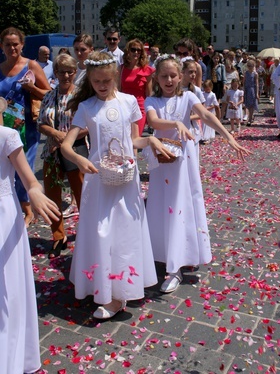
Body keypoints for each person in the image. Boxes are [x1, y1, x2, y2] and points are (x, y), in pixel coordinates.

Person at [61, 51, 172, 319]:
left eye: (106, 81)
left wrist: (151, 141)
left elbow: (133, 140)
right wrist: (79, 158)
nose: (101, 85)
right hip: (98, 178)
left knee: (124, 232)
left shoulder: (129, 102)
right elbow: (66, 145)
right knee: (101, 232)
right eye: (96, 81)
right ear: (90, 80)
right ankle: (102, 286)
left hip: (125, 178)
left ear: (115, 78)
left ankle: (119, 294)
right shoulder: (86, 107)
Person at [144, 54, 251, 293]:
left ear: (181, 76)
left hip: (184, 161)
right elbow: (154, 121)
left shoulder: (189, 96)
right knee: (163, 205)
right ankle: (164, 254)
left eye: (173, 75)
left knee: (183, 204)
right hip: (163, 162)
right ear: (157, 78)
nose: (169, 80)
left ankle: (177, 264)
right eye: (164, 76)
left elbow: (206, 115)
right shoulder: (152, 100)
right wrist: (176, 124)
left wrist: (228, 136)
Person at [0, 113, 60, 374]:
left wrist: (34, 190)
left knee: (7, 289)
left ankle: (9, 358)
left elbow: (28, 178)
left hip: (3, 220)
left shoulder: (6, 136)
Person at [0, 27, 51, 227]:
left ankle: (28, 209)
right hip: (4, 128)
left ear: (22, 45)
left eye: (15, 44)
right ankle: (12, 206)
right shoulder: (0, 67)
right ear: (1, 46)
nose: (12, 48)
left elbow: (48, 93)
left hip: (26, 128)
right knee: (6, 170)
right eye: (7, 44)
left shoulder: (31, 65)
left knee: (25, 169)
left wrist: (31, 88)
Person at [38, 54, 86, 257]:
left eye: (70, 71)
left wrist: (67, 137)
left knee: (83, 194)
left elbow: (89, 126)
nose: (65, 75)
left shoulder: (82, 97)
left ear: (75, 72)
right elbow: (41, 123)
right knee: (52, 196)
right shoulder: (49, 95)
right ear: (55, 73)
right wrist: (55, 134)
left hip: (75, 151)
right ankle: (59, 237)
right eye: (61, 71)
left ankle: (88, 235)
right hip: (51, 152)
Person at [118, 39, 155, 135]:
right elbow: (118, 89)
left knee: (136, 137)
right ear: (128, 51)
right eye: (133, 49)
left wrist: (150, 111)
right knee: (125, 136)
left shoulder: (146, 70)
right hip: (124, 106)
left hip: (140, 107)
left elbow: (148, 93)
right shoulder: (120, 69)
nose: (136, 52)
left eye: (139, 50)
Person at [243, 59, 259, 126]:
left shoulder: (255, 74)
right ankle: (250, 116)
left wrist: (257, 93)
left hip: (252, 89)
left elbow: (257, 83)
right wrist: (243, 90)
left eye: (251, 66)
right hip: (247, 89)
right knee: (247, 105)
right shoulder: (246, 73)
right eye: (249, 66)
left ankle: (249, 119)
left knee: (252, 105)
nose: (250, 67)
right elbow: (244, 82)